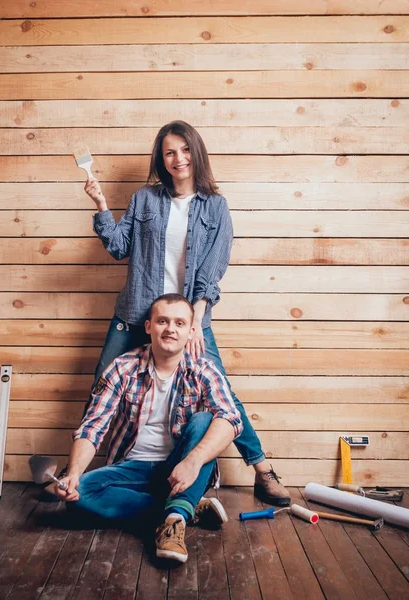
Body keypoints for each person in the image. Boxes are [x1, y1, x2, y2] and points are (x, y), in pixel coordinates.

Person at [83, 120, 290, 506]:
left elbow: (211, 273)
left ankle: (262, 471)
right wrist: (99, 205)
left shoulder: (216, 207)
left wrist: (194, 320)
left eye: (184, 149)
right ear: (162, 159)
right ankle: (74, 473)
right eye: (169, 152)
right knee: (102, 383)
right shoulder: (145, 199)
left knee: (221, 394)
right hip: (135, 312)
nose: (178, 158)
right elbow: (117, 245)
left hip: (187, 318)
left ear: (196, 152)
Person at [54, 294, 243, 564]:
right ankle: (184, 508)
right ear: (148, 326)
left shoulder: (204, 370)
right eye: (162, 321)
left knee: (204, 420)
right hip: (133, 468)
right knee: (79, 495)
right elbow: (93, 426)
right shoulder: (122, 368)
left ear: (191, 332)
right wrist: (72, 474)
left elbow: (231, 420)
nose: (170, 329)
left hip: (183, 467)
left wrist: (193, 461)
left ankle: (175, 521)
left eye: (179, 323)